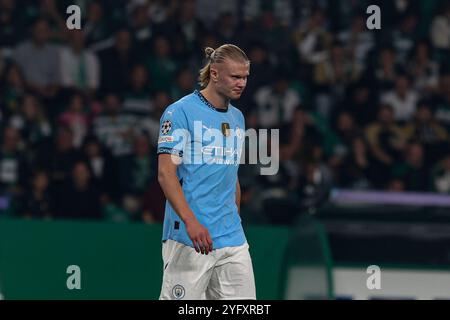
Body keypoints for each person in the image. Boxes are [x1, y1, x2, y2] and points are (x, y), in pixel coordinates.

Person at [157, 44, 256, 300]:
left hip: (231, 237)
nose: (242, 83)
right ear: (214, 74)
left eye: (245, 77)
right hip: (189, 237)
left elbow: (230, 173)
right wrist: (191, 221)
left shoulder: (238, 118)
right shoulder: (179, 112)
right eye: (235, 77)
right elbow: (166, 174)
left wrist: (233, 214)